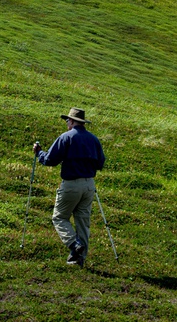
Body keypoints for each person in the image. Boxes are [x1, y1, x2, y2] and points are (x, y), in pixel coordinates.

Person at [34, 107, 106, 267]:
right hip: (89, 185)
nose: (67, 123)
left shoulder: (66, 137)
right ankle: (79, 259)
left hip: (71, 184)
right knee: (83, 222)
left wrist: (39, 153)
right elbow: (101, 163)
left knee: (59, 218)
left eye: (67, 121)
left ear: (73, 121)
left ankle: (74, 245)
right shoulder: (94, 139)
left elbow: (50, 160)